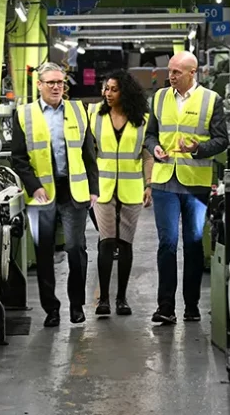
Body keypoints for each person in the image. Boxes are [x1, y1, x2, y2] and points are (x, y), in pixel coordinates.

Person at [10, 62, 100, 327]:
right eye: (51, 82)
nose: (56, 87)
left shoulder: (78, 110)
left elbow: (88, 153)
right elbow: (18, 158)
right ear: (39, 85)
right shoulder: (24, 114)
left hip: (73, 191)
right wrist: (33, 186)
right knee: (44, 252)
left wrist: (93, 188)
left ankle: (76, 306)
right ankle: (51, 308)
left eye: (60, 82)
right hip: (41, 193)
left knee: (76, 248)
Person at [144, 51, 228, 324]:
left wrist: (198, 148)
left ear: (193, 73)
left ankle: (191, 305)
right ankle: (165, 307)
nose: (171, 76)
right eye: (170, 71)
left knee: (193, 244)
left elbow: (222, 140)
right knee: (167, 243)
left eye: (176, 72)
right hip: (164, 180)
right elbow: (150, 135)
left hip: (196, 182)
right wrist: (154, 148)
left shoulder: (211, 100)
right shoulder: (159, 98)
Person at [89, 70, 153, 316]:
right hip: (102, 189)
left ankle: (122, 299)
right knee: (106, 242)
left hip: (131, 189)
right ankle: (104, 299)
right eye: (106, 88)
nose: (108, 94)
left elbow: (147, 155)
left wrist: (149, 184)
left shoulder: (143, 120)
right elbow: (88, 151)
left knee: (125, 243)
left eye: (114, 90)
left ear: (126, 92)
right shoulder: (94, 114)